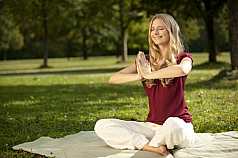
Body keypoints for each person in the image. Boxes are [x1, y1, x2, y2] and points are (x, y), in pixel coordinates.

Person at [94, 13, 197, 157]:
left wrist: (149, 75)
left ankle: (150, 145)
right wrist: (140, 74)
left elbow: (182, 69)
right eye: (152, 29)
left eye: (160, 28)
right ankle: (154, 148)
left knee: (173, 124)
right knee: (102, 125)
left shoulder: (183, 58)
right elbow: (113, 78)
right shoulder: (146, 62)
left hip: (180, 126)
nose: (155, 32)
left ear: (171, 31)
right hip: (152, 127)